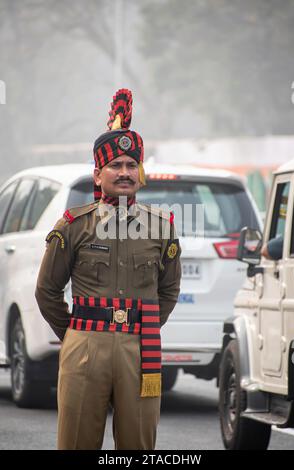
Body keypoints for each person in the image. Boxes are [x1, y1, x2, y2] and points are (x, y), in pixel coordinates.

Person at [35, 89, 182, 450]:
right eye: (115, 165)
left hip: (140, 347)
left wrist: (142, 325)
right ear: (97, 175)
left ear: (140, 173)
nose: (124, 172)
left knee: (139, 446)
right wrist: (75, 333)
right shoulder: (74, 225)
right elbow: (47, 290)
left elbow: (169, 290)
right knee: (76, 443)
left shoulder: (161, 227)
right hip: (85, 347)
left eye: (132, 165)